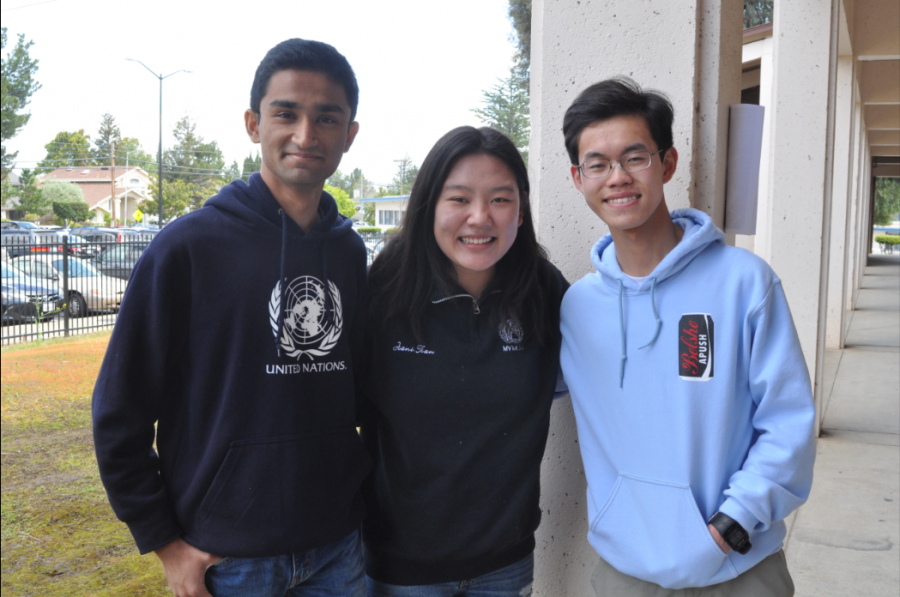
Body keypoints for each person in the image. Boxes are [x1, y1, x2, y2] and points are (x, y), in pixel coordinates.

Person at [92, 39, 370, 597]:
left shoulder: (348, 253)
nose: (306, 135)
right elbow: (119, 411)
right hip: (230, 560)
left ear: (350, 134)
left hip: (340, 551)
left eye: (327, 118)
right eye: (286, 113)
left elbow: (361, 391)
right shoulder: (188, 247)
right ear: (252, 123)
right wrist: (165, 543)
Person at [558, 77, 816, 596]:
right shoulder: (577, 307)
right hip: (622, 574)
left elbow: (788, 424)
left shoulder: (744, 282)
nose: (618, 177)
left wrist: (729, 529)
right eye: (598, 164)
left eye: (636, 157)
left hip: (738, 570)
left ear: (668, 164)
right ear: (577, 177)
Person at [360, 126, 568, 596]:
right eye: (459, 199)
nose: (479, 218)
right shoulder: (382, 294)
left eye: (500, 199)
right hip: (401, 567)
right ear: (429, 205)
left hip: (506, 562)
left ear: (521, 208)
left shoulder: (544, 291)